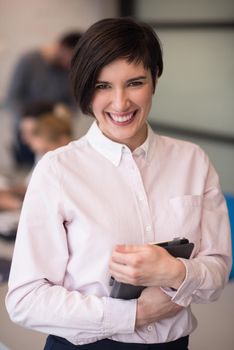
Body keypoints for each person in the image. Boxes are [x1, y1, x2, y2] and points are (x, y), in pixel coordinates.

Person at [5, 17, 232, 350]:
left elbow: (217, 274)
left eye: (135, 82)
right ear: (85, 88)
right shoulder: (57, 169)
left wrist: (173, 272)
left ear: (155, 76)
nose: (121, 103)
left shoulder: (193, 161)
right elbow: (25, 300)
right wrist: (132, 315)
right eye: (103, 86)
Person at [6, 32, 81, 165]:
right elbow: (12, 98)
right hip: (29, 129)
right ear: (60, 47)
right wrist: (28, 127)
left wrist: (60, 122)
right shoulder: (29, 61)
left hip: (53, 135)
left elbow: (74, 104)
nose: (70, 63)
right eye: (69, 57)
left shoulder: (71, 70)